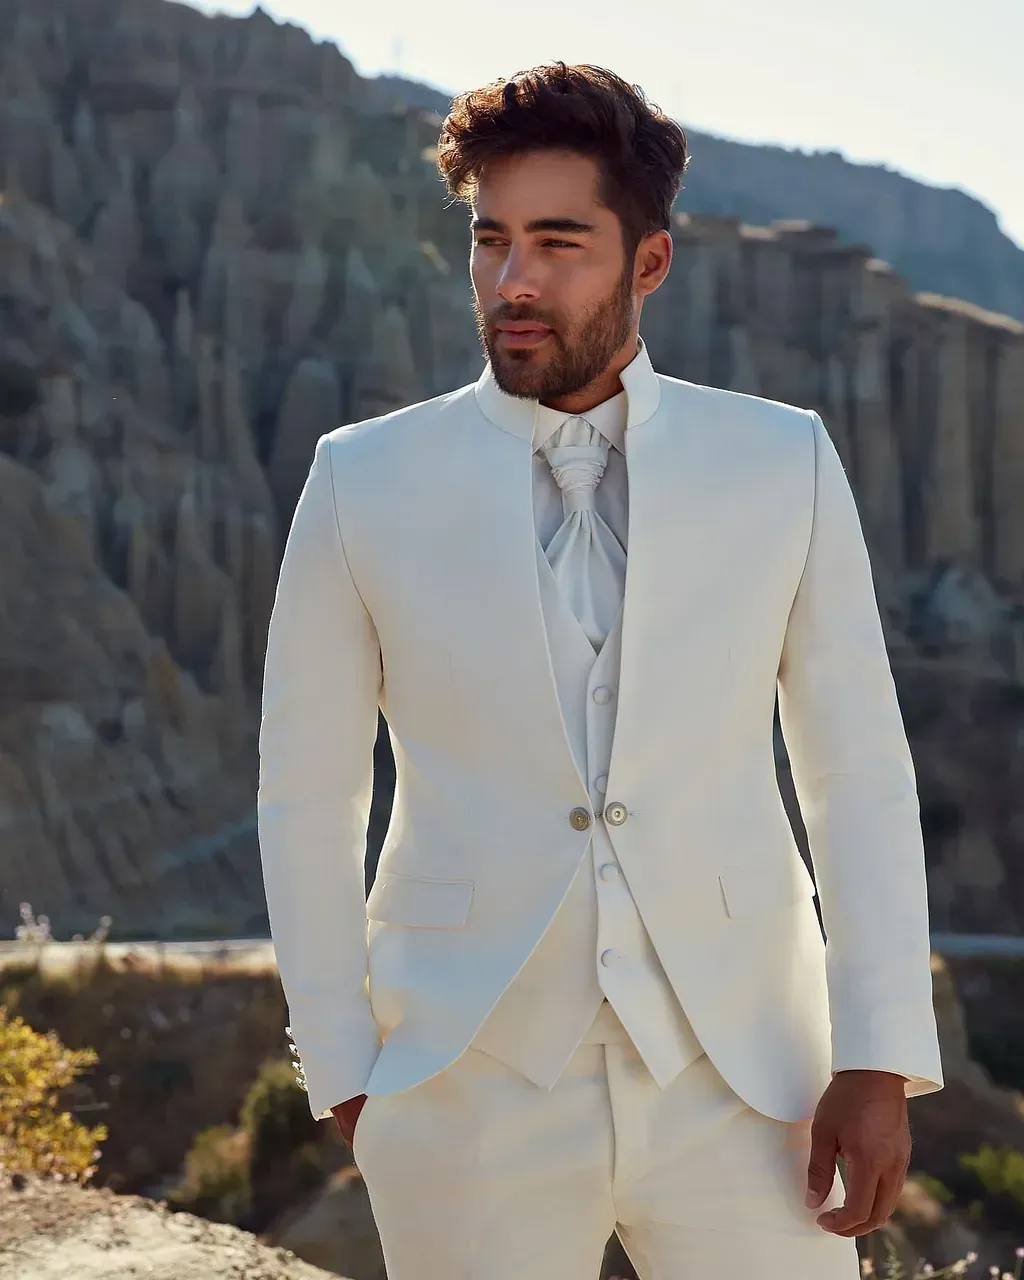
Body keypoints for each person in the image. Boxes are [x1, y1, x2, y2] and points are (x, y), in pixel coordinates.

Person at [257, 61, 943, 1280]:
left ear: (648, 261)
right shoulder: (361, 479)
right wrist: (345, 1067)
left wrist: (876, 1056)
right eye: (492, 241)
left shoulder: (780, 460)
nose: (514, 280)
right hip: (462, 1083)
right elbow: (308, 796)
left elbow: (856, 773)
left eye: (559, 243)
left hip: (750, 1082)